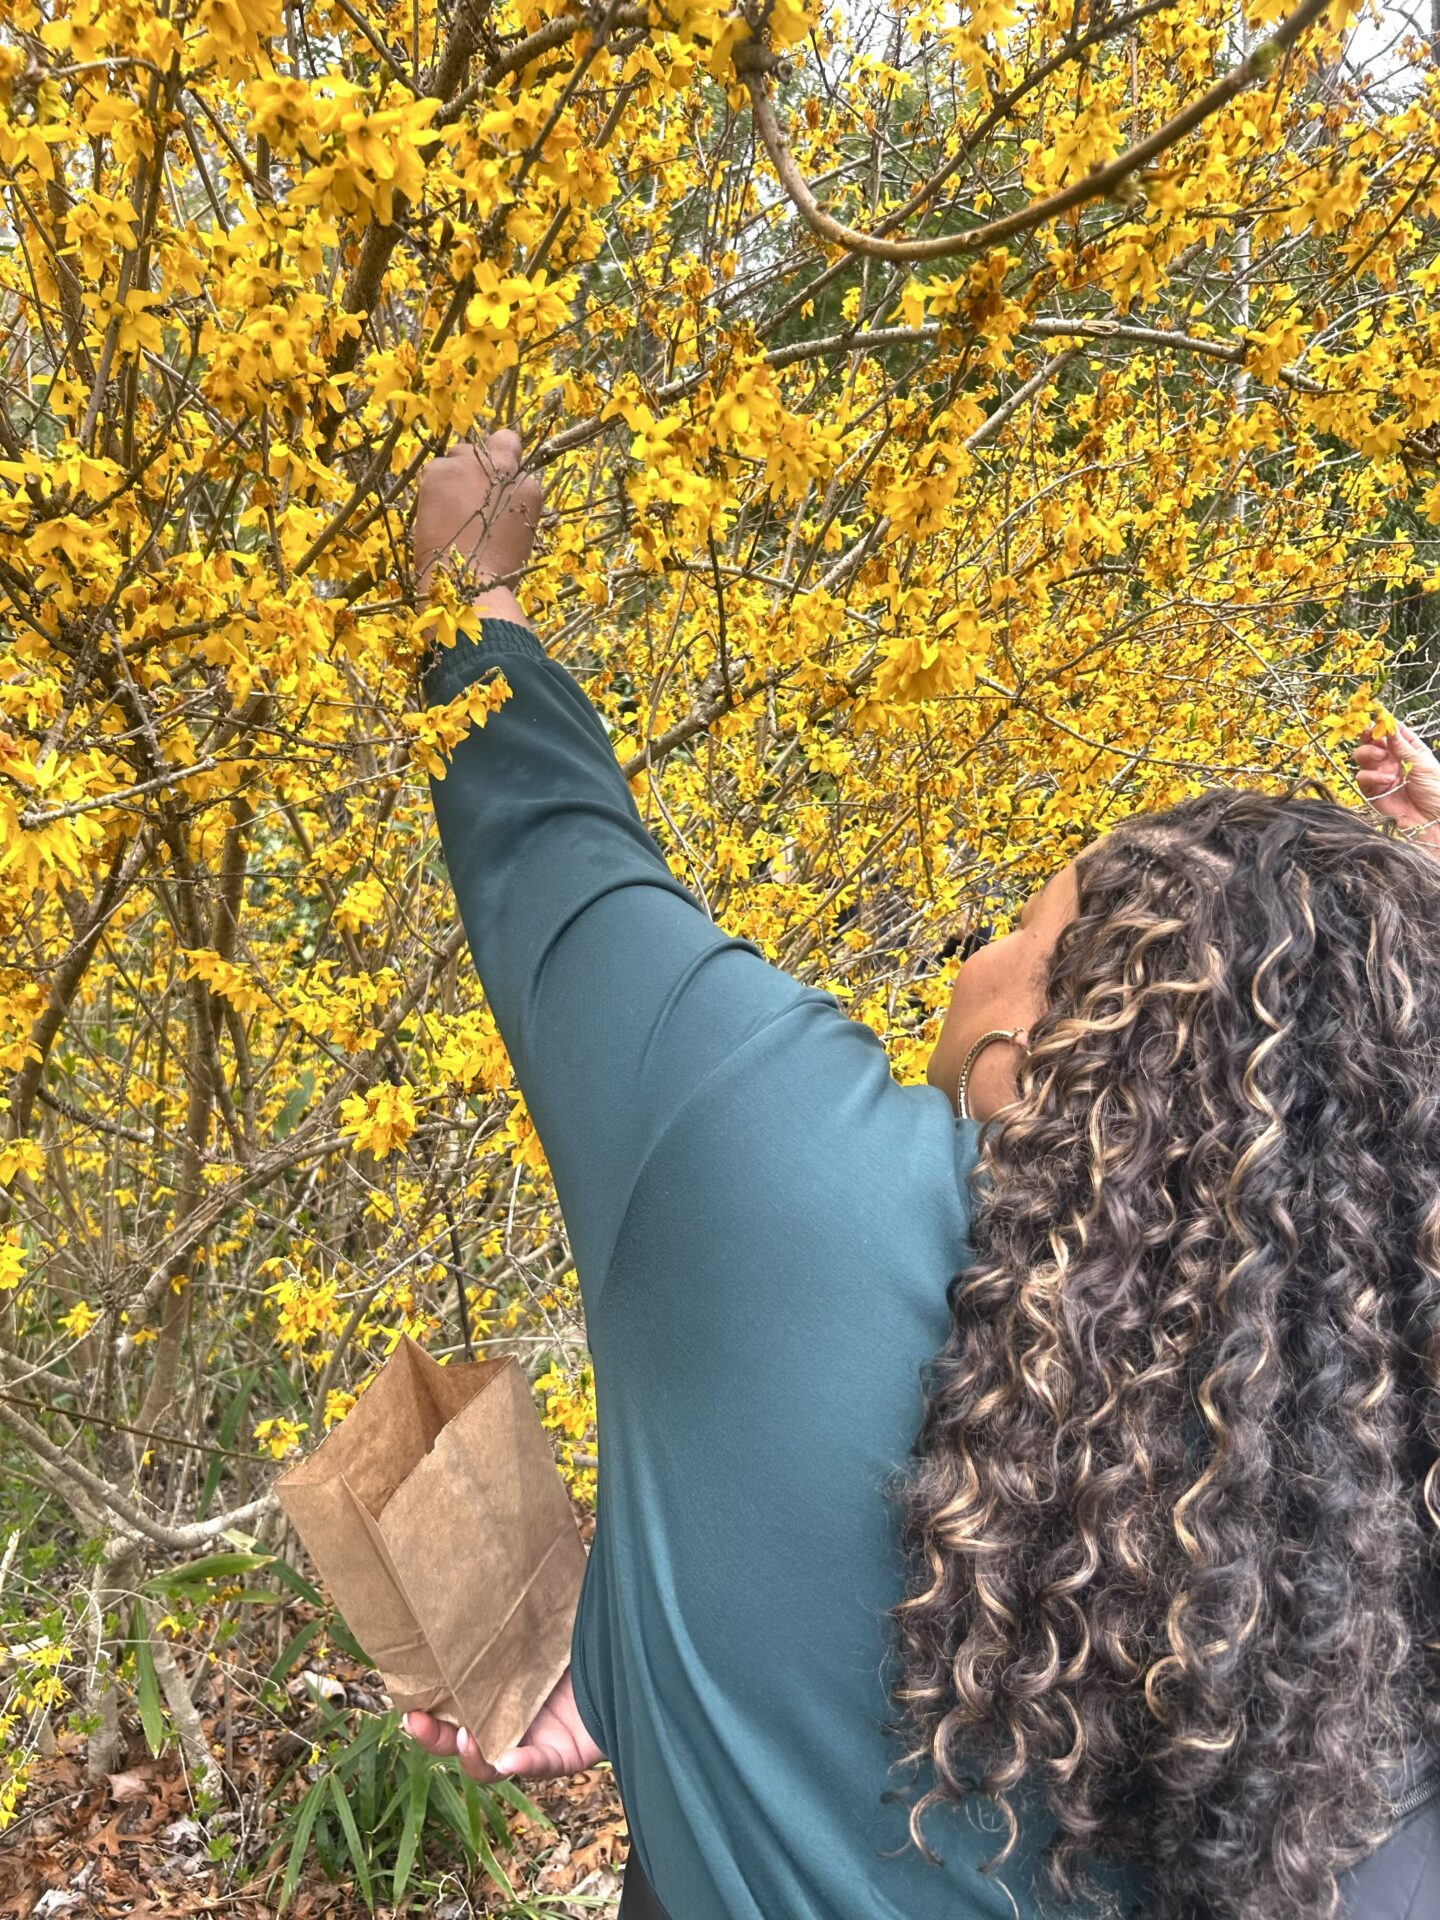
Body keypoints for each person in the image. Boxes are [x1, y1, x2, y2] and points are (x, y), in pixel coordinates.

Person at [400, 428, 1440, 1920]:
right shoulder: (1372, 1428)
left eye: (1010, 932)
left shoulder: (765, 1186)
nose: (967, 963)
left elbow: (558, 858)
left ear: (1069, 1041)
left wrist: (470, 593)